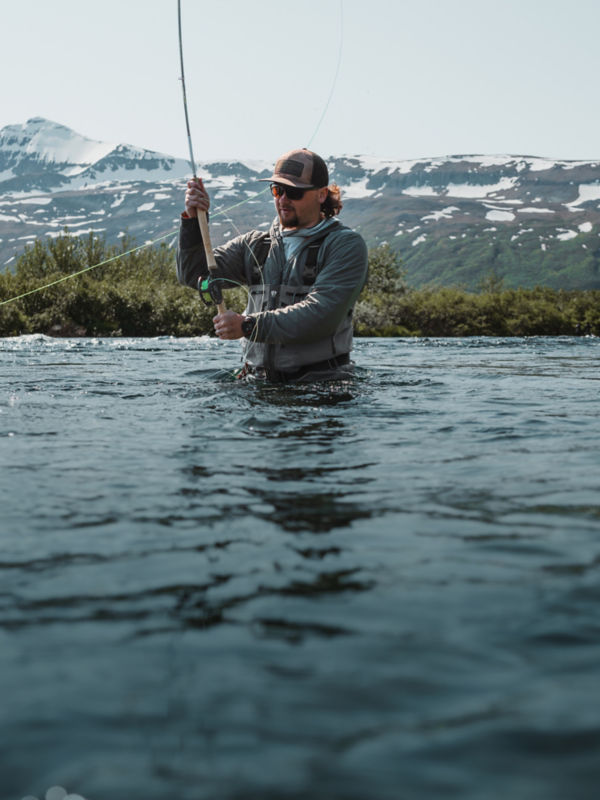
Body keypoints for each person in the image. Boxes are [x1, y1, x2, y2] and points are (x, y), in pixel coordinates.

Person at [176, 148, 368, 382]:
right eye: (277, 190)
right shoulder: (255, 245)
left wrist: (248, 326)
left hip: (322, 383)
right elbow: (193, 275)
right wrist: (193, 221)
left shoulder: (345, 245)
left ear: (321, 195)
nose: (283, 200)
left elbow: (322, 314)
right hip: (256, 382)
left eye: (293, 192)